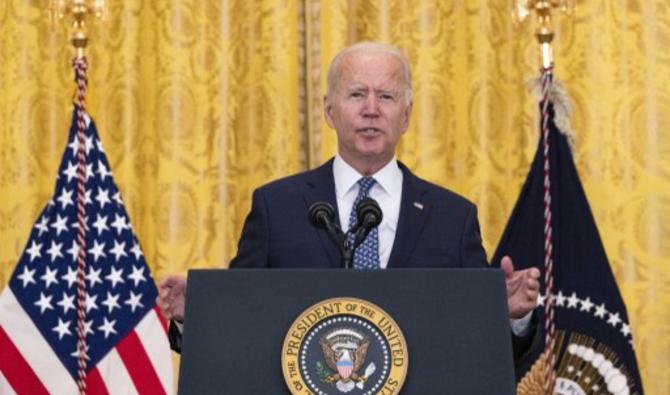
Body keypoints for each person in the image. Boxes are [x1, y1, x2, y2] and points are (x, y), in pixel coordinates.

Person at [158, 42, 540, 357]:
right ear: (329, 110)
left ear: (406, 116)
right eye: (357, 94)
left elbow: (483, 349)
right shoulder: (277, 209)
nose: (371, 109)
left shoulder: (452, 218)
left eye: (386, 96)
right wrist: (200, 314)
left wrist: (507, 316)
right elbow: (243, 320)